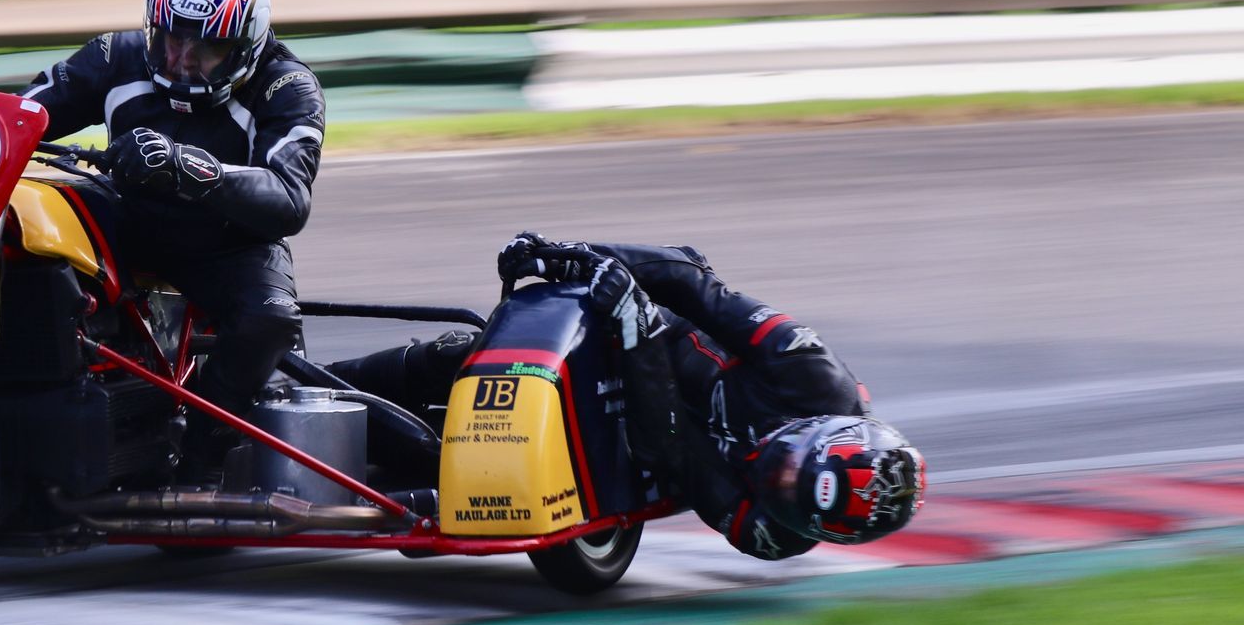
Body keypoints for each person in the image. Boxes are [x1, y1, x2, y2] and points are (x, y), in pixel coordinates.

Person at [332, 234, 925, 560]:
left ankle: (403, 472)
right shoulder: (812, 373)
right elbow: (696, 281)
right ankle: (324, 382)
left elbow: (673, 453)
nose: (776, 476)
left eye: (788, 496)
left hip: (649, 432)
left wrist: (640, 338)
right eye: (796, 464)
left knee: (484, 478)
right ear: (824, 429)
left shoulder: (772, 533)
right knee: (482, 355)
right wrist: (574, 255)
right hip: (643, 339)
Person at [20, 0, 326, 484]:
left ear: (244, 45)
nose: (181, 60)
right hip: (128, 219)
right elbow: (20, 116)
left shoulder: (287, 86)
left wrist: (189, 167)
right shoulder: (117, 54)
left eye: (203, 48)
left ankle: (205, 453)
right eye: (169, 40)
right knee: (28, 226)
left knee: (270, 318)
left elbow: (289, 199)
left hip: (228, 241)